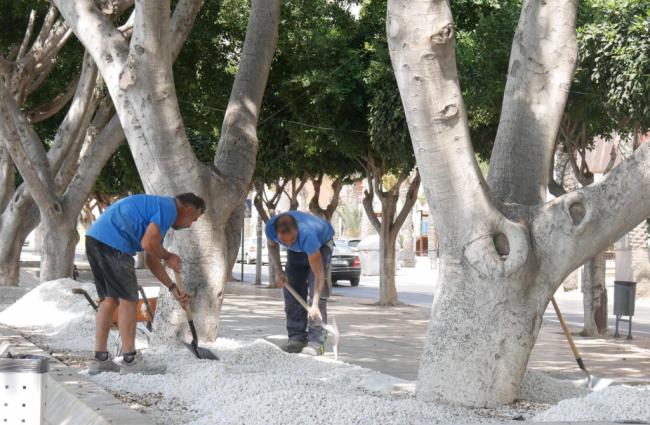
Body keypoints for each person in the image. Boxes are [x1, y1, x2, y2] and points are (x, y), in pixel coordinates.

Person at [85, 193, 205, 374]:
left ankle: (100, 359)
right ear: (187, 210)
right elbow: (148, 244)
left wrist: (173, 289)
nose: (190, 225)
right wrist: (169, 256)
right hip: (113, 243)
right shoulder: (168, 209)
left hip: (95, 239)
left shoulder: (159, 210)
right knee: (129, 299)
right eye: (193, 220)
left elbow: (152, 260)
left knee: (109, 299)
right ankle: (130, 360)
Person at [266, 211, 334, 356]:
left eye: (292, 239)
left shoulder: (308, 236)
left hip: (321, 246)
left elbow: (319, 276)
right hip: (297, 251)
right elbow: (272, 245)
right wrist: (278, 271)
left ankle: (316, 342)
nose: (289, 243)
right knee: (291, 289)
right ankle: (296, 339)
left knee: (317, 295)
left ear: (297, 230)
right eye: (285, 241)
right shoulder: (271, 229)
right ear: (278, 234)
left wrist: (314, 304)